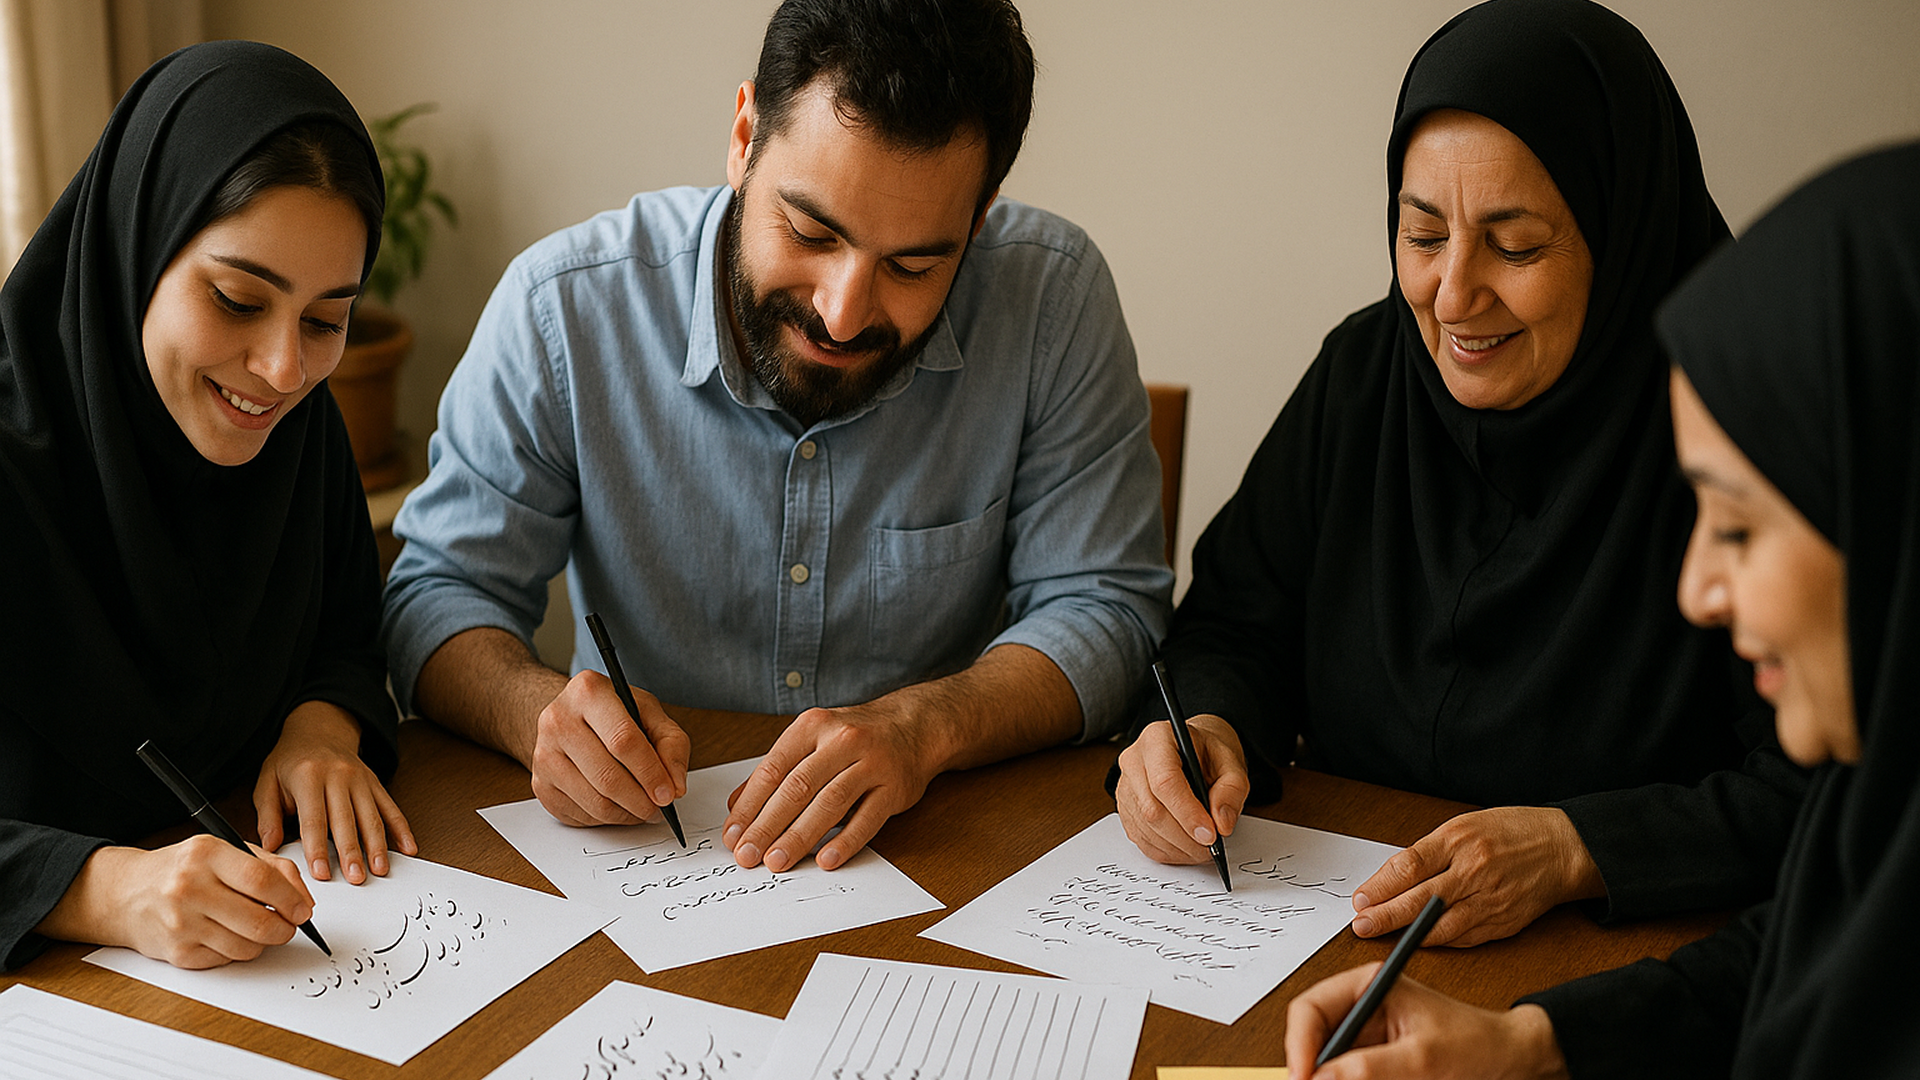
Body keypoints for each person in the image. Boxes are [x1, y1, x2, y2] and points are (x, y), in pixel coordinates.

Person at [381, 0, 1171, 874]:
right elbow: (437, 593)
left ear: (979, 220)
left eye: (913, 265)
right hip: (648, 856)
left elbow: (1106, 609)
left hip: (940, 850)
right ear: (745, 134)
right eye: (810, 231)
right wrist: (534, 712)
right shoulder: (563, 310)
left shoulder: (1052, 302)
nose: (843, 311)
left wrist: (928, 725)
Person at [1115, 0, 1804, 947]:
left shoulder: (1742, 432)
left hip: (1628, 965)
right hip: (1337, 927)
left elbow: (1827, 786)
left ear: (1623, 232)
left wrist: (1577, 848)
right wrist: (1211, 728)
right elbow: (1238, 620)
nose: (1453, 295)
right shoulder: (1368, 374)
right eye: (1423, 233)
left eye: (1516, 245)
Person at [1284, 140, 1920, 1080]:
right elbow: (1786, 964)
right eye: (1422, 233)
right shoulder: (1885, 812)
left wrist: (1583, 851)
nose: (1696, 587)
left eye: (1739, 529)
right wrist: (1527, 1043)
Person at [0, 41, 414, 971]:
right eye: (236, 300)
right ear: (133, 252)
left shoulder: (298, 440)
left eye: (325, 320)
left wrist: (322, 722)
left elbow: (347, 632)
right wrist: (102, 889)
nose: (282, 371)